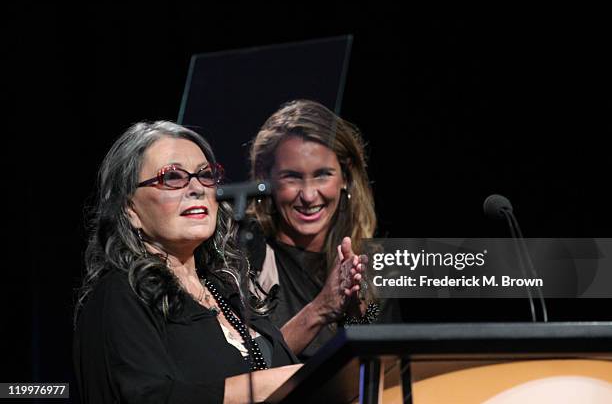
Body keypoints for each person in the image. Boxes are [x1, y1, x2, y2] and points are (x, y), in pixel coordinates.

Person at [73, 121, 363, 403]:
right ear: (130, 208)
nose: (196, 188)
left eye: (205, 175)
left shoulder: (225, 290)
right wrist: (275, 383)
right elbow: (151, 396)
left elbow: (273, 368)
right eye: (172, 177)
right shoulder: (120, 294)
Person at [248, 100, 398, 360]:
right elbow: (249, 366)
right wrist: (321, 309)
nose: (308, 195)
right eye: (292, 176)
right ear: (265, 177)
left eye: (322, 175)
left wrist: (356, 316)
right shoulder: (246, 252)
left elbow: (386, 366)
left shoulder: (373, 265)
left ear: (346, 176)